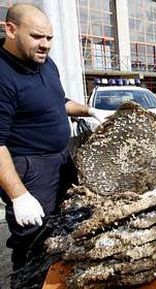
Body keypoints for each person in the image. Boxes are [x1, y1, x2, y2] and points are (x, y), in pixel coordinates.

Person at [0, 3, 99, 287]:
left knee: (69, 226)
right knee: (33, 243)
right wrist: (18, 195)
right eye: (36, 37)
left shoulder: (45, 63)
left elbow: (58, 103)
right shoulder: (3, 75)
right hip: (30, 168)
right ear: (10, 30)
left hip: (61, 158)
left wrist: (90, 111)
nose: (45, 45)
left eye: (49, 38)